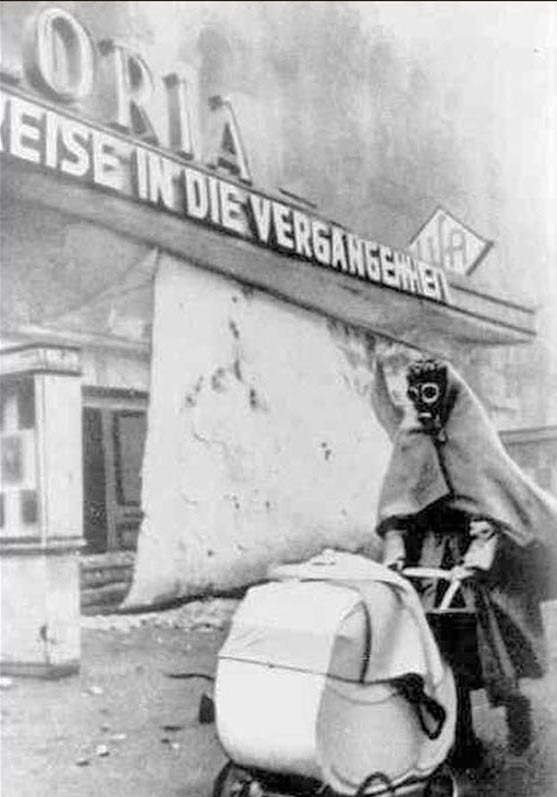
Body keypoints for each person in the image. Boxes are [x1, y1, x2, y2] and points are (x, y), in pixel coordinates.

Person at [372, 355, 557, 767]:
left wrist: (475, 560)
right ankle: (462, 737)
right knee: (438, 650)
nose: (426, 405)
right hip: (429, 558)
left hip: (474, 560)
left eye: (433, 393)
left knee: (488, 648)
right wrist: (397, 551)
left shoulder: (471, 434)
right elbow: (398, 507)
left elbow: (490, 504)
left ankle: (514, 705)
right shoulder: (412, 434)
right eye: (418, 395)